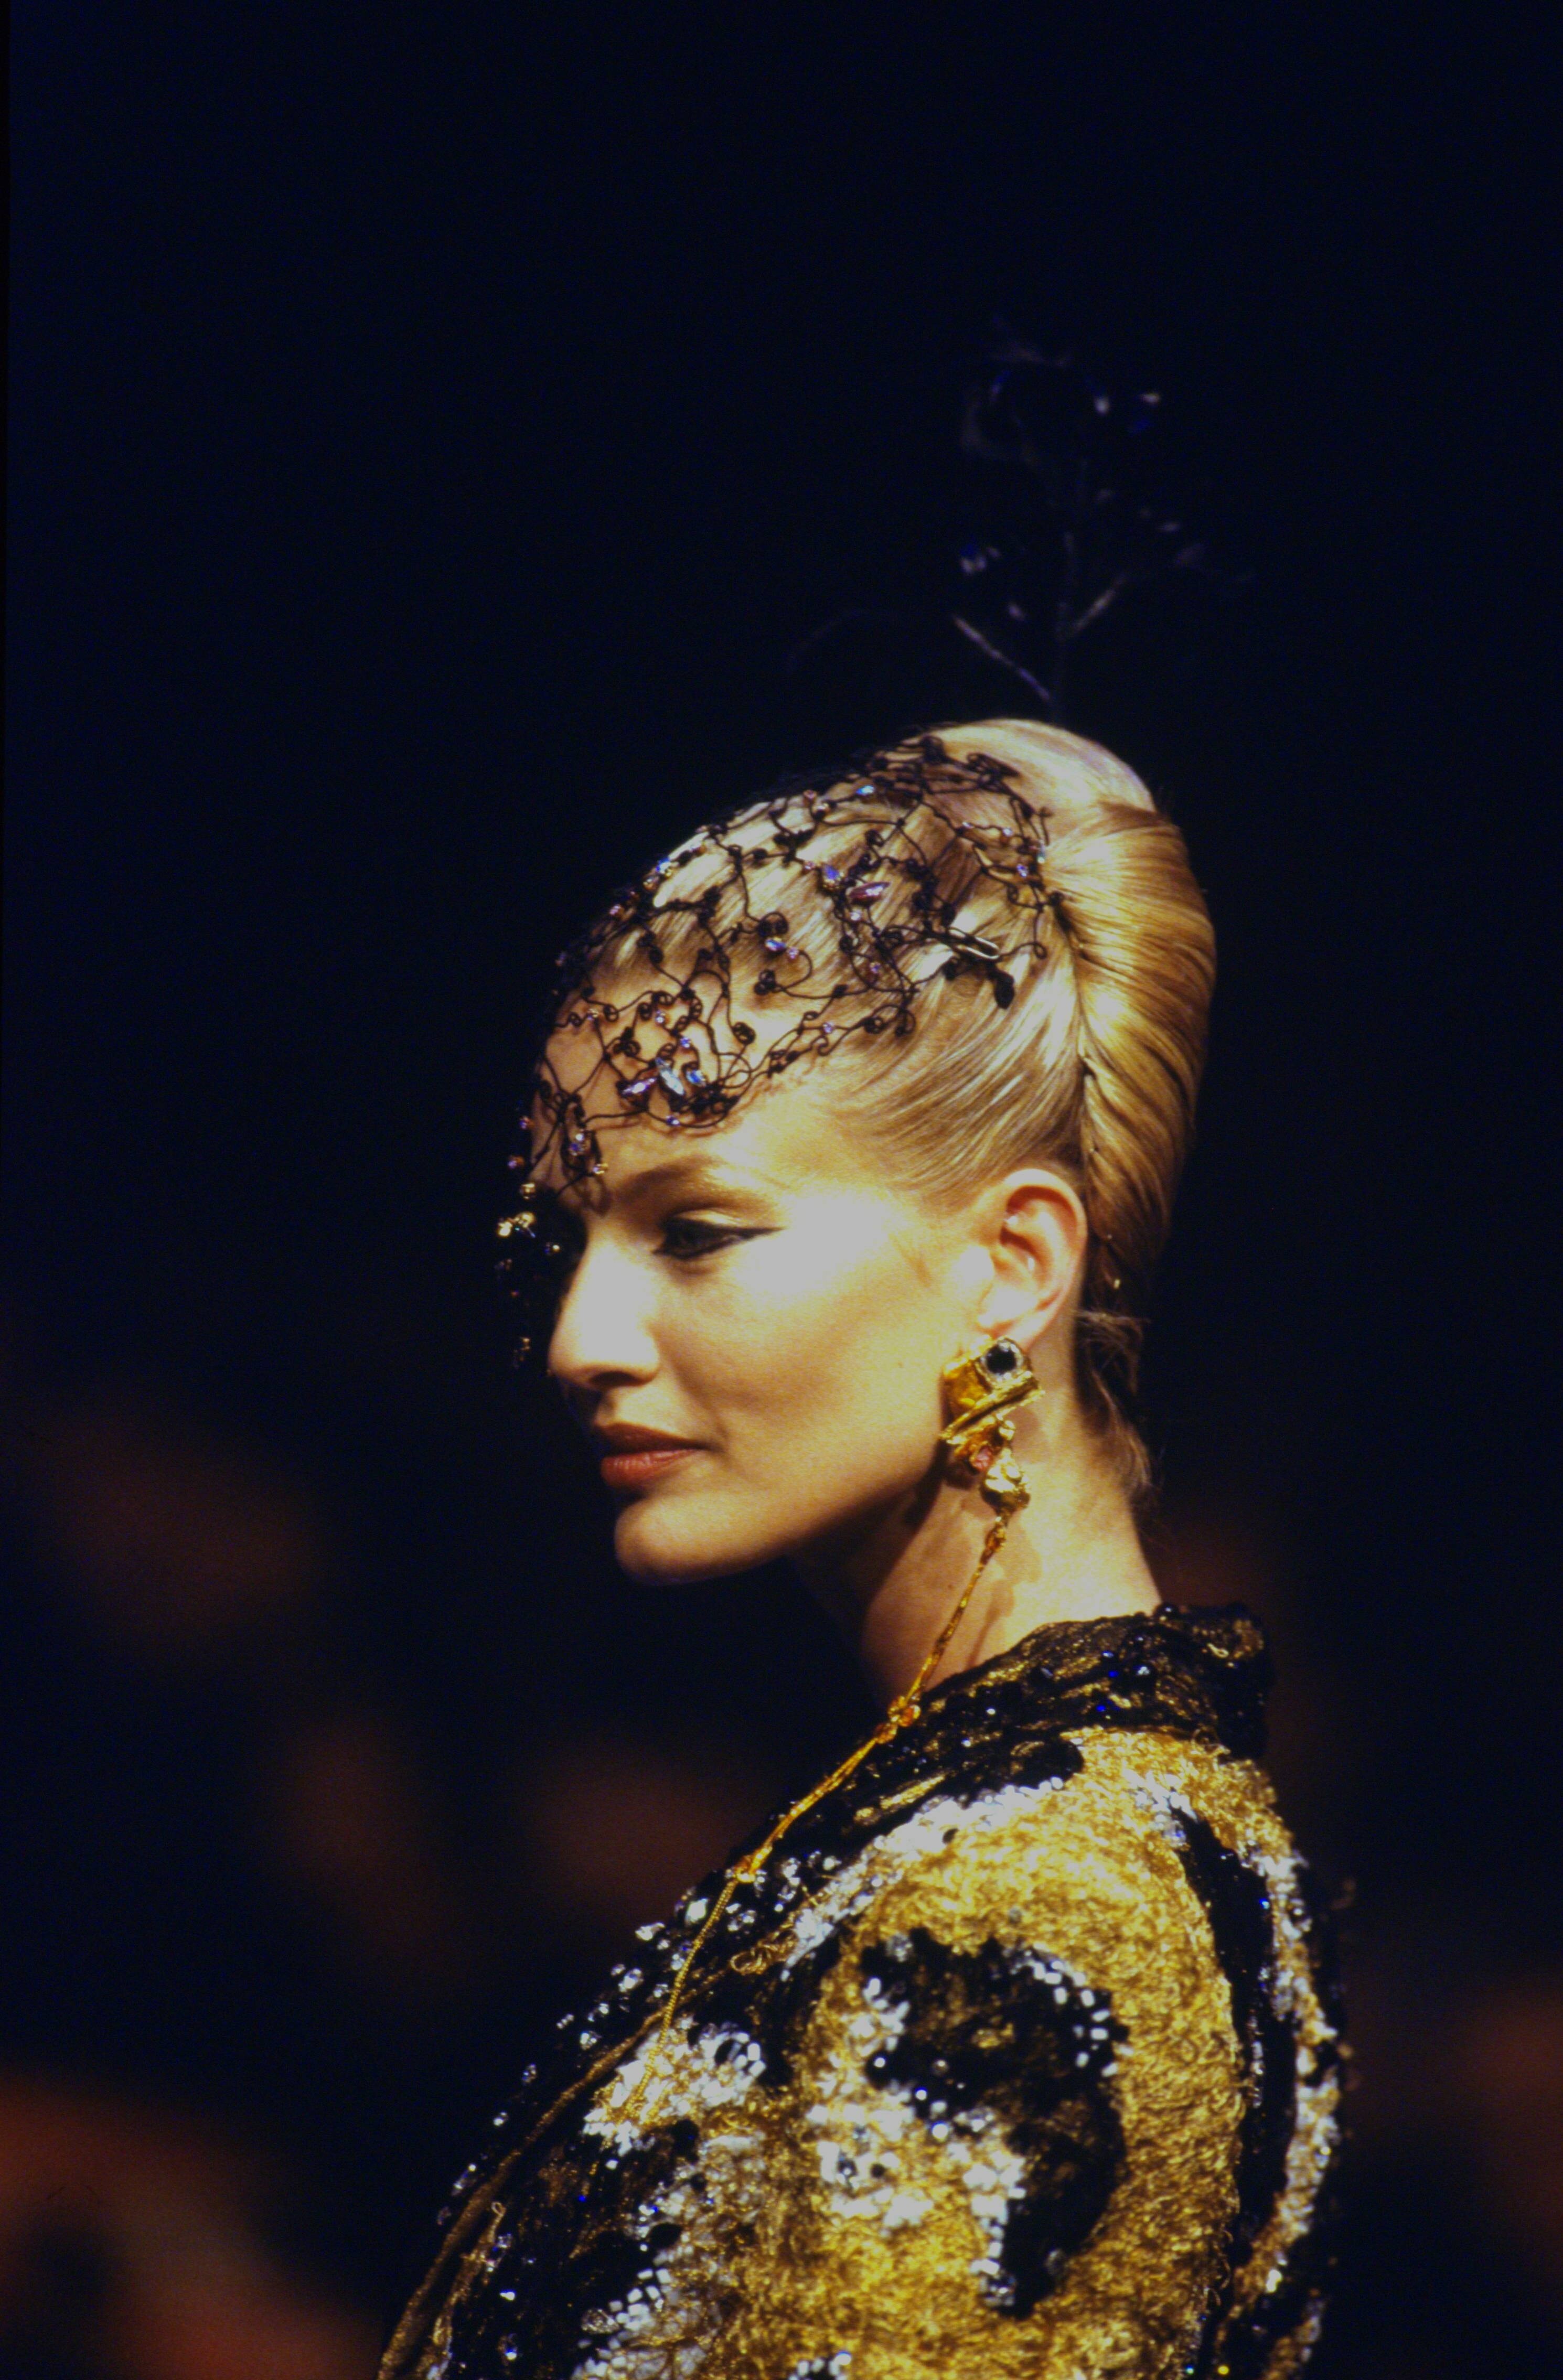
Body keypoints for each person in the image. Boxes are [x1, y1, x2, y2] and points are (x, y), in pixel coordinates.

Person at [383, 721, 1343, 2379]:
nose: (580, 1338)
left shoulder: (1038, 1908)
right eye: (571, 1236)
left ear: (1011, 1262)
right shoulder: (1008, 1827)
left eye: (696, 1231)